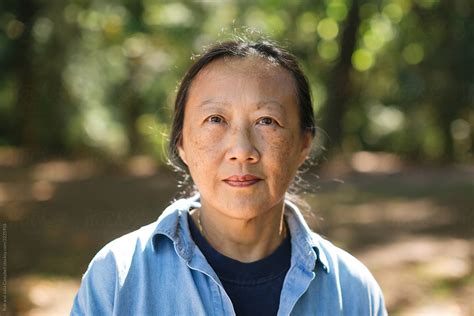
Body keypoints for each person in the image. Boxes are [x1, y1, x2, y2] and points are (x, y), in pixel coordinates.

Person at [71, 39, 387, 315]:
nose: (241, 150)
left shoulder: (354, 293)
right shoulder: (118, 277)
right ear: (181, 142)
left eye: (267, 121)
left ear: (304, 144)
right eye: (215, 119)